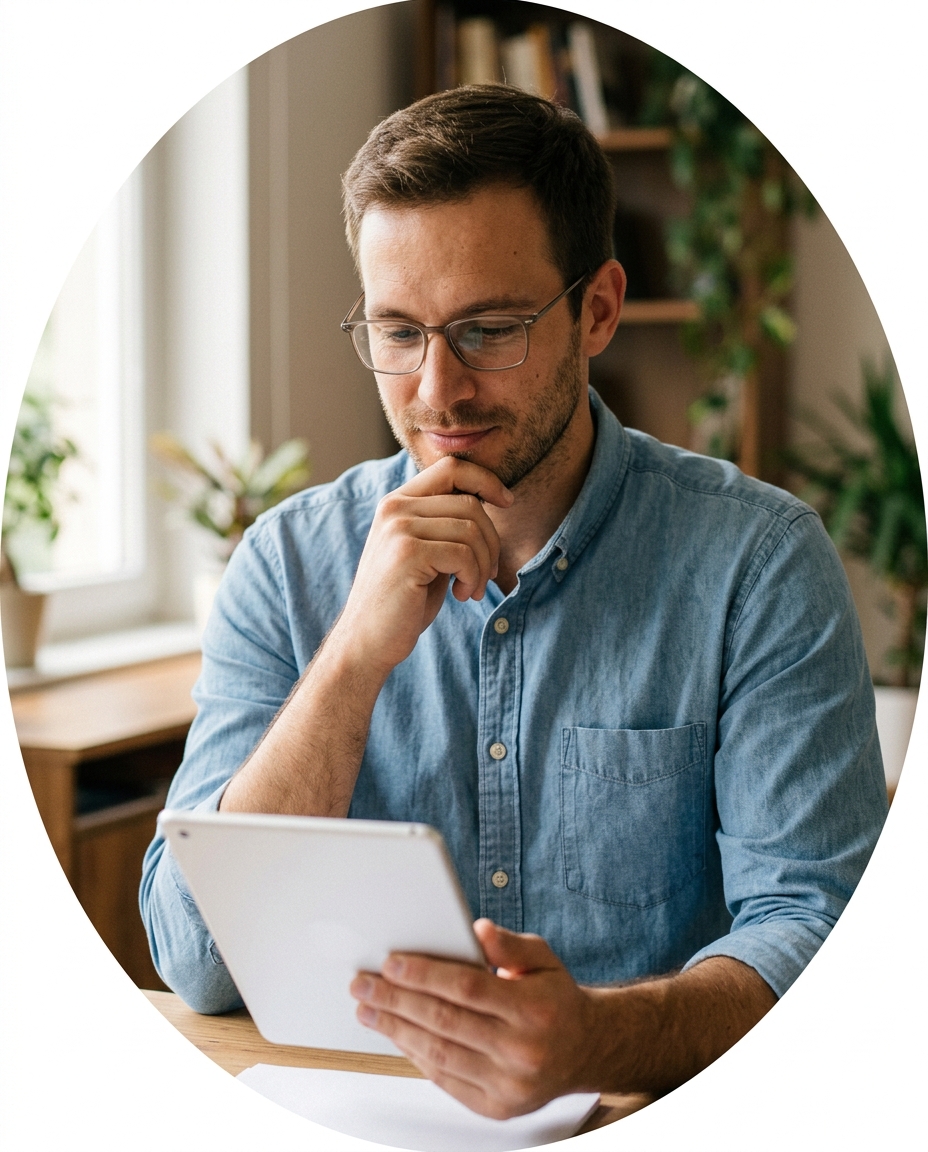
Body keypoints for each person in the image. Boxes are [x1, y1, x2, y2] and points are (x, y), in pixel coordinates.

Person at [141, 85, 887, 1119]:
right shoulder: (285, 565)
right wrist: (353, 659)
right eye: (398, 332)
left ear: (598, 310)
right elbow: (192, 959)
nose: (437, 391)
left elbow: (816, 931)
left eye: (487, 330)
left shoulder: (755, 564)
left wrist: (599, 1035)